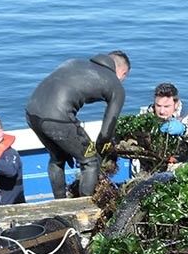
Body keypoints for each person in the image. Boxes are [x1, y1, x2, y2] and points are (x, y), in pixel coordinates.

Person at [25, 51, 129, 199]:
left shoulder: (75, 62)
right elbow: (106, 134)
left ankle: (60, 203)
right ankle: (83, 209)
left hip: (31, 112)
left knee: (58, 157)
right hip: (56, 118)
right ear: (123, 72)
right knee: (90, 161)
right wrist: (101, 151)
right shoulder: (116, 85)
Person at [149, 82, 188, 161]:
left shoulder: (186, 117)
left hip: (177, 166)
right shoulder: (148, 116)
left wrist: (184, 130)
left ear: (176, 104)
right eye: (158, 106)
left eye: (166, 106)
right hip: (151, 164)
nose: (162, 111)